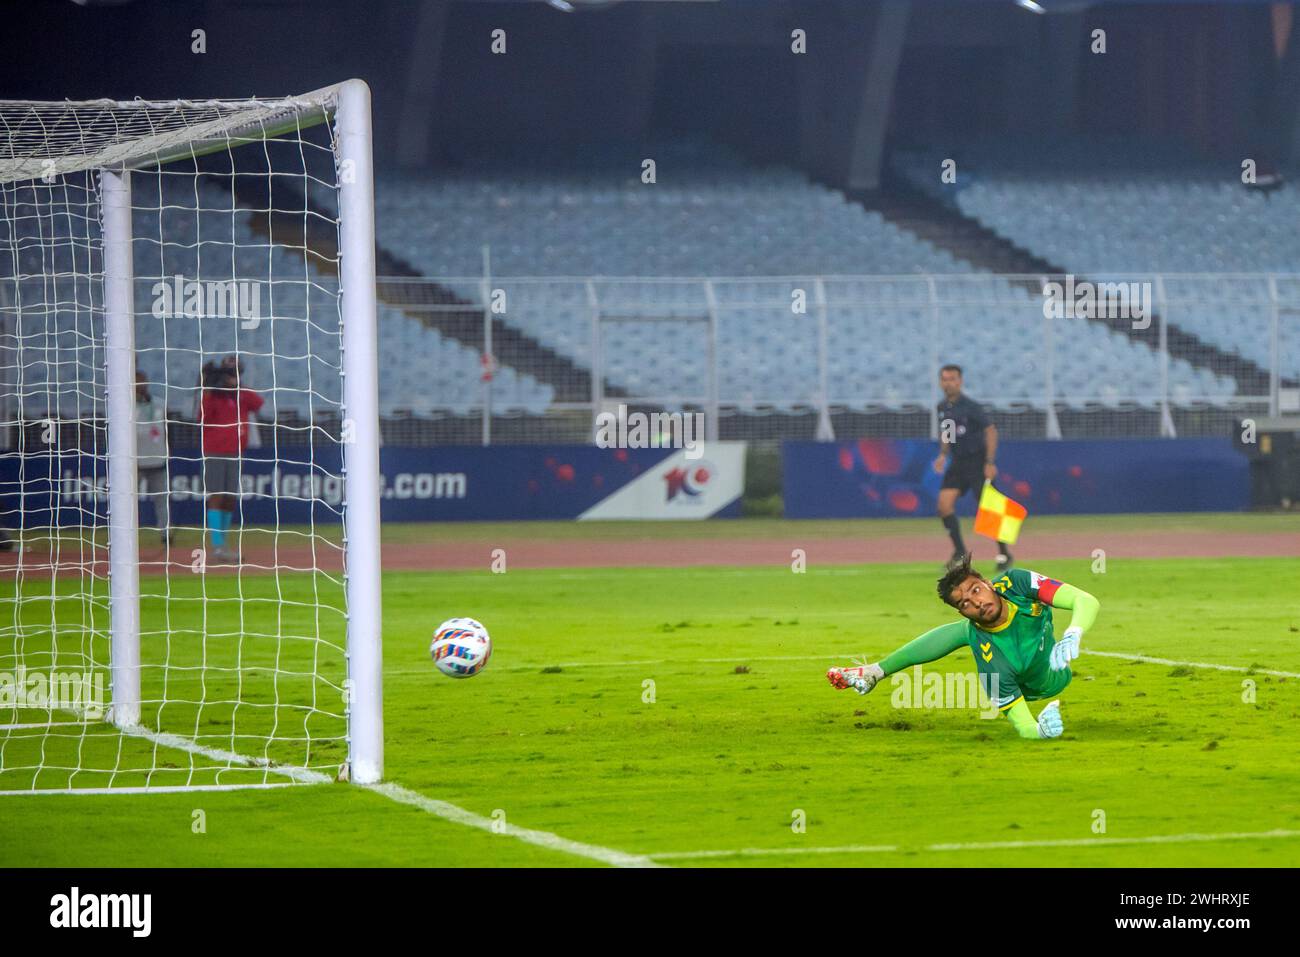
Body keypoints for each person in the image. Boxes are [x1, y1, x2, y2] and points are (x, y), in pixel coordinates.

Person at [826, 554, 1100, 741]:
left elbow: (1085, 600)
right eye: (964, 604)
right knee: (972, 633)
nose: (976, 602)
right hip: (1045, 684)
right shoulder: (992, 663)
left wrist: (1074, 632)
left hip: (1041, 651)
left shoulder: (1016, 583)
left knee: (965, 633)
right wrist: (1041, 731)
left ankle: (874, 671)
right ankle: (875, 671)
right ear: (961, 611)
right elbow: (1024, 726)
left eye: (976, 591)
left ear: (988, 583)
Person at [932, 364, 1012, 571]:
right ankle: (959, 551)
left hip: (977, 462)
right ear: (941, 382)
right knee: (944, 505)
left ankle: (1004, 553)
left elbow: (991, 431)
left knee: (988, 509)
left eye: (952, 379)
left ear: (960, 381)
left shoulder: (971, 407)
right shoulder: (942, 408)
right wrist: (942, 455)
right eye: (945, 379)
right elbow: (947, 432)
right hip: (958, 464)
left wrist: (990, 462)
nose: (948, 383)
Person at [199, 355, 263, 564]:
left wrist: (238, 387)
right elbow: (201, 417)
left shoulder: (241, 395)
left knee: (229, 498)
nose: (231, 378)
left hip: (236, 451)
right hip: (215, 451)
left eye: (234, 373)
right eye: (227, 374)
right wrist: (208, 386)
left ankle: (223, 544)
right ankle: (218, 547)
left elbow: (258, 403)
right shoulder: (212, 395)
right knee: (217, 495)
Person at [135, 372, 172, 546]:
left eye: (142, 381)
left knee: (162, 501)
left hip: (158, 459)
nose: (140, 385)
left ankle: (165, 533)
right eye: (137, 382)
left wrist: (167, 452)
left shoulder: (159, 404)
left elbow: (167, 430)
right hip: (135, 462)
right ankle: (125, 533)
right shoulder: (124, 406)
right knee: (129, 501)